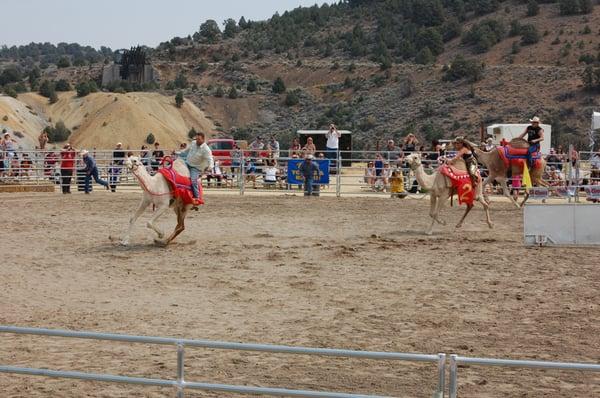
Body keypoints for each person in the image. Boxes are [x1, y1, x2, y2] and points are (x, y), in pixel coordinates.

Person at [177, 131, 214, 207]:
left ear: (203, 139)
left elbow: (210, 159)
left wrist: (210, 167)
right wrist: (178, 153)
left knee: (193, 181)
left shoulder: (206, 149)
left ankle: (196, 198)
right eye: (196, 139)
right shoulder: (193, 143)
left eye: (199, 139)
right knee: (175, 168)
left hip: (195, 168)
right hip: (186, 163)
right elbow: (186, 151)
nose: (197, 141)